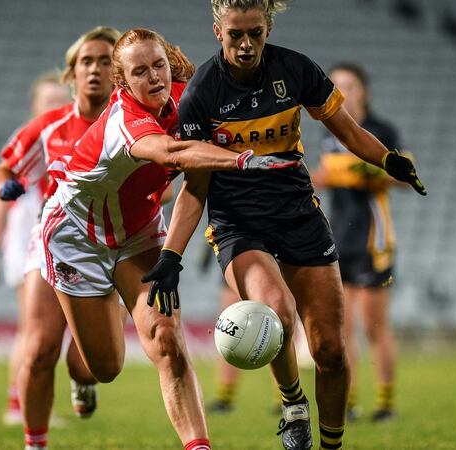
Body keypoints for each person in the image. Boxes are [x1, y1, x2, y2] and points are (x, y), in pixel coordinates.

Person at [141, 2, 426, 449]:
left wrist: (388, 160)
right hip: (238, 224)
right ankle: (294, 407)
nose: (246, 44)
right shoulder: (201, 94)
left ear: (268, 27)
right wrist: (171, 254)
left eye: (255, 32)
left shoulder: (294, 69)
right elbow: (195, 186)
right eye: (236, 34)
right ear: (218, 31)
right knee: (274, 310)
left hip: (299, 215)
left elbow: (348, 131)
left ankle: (330, 444)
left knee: (330, 349)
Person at [40, 28, 299, 450]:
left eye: (158, 65)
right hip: (78, 237)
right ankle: (86, 363)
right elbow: (173, 154)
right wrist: (245, 160)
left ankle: (198, 447)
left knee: (166, 338)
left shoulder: (186, 97)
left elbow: (198, 175)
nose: (154, 77)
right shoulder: (125, 117)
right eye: (139, 72)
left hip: (139, 233)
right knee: (104, 367)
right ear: (122, 83)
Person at [0, 26, 123, 450]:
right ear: (72, 74)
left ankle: (83, 381)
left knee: (90, 365)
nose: (95, 70)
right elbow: (4, 168)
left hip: (111, 247)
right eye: (86, 61)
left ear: (119, 73)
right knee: (40, 347)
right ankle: (35, 443)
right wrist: (4, 186)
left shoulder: (133, 126)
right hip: (53, 243)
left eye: (106, 61)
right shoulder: (50, 127)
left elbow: (166, 180)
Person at [311, 62, 407, 423]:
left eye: (349, 85)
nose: (343, 92)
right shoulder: (328, 131)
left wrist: (368, 171)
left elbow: (403, 175)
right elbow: (325, 176)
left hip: (373, 239)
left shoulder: (381, 130)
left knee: (374, 325)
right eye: (336, 86)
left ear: (363, 90)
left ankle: (386, 403)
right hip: (338, 237)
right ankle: (349, 401)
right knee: (342, 327)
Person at [0, 71, 71, 426]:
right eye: (49, 101)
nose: (56, 107)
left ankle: (28, 402)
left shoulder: (70, 136)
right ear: (35, 107)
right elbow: (1, 198)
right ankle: (19, 405)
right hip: (27, 239)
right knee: (33, 328)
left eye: (62, 101)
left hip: (57, 240)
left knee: (47, 330)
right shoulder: (31, 142)